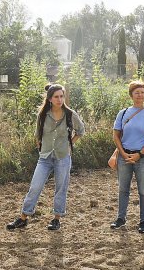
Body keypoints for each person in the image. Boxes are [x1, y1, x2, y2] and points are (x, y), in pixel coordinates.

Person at [6, 83, 86, 232]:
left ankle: (56, 219)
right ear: (50, 98)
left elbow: (81, 130)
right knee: (35, 186)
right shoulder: (43, 114)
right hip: (45, 157)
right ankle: (23, 217)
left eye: (62, 96)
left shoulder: (70, 114)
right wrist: (41, 148)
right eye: (56, 97)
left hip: (63, 157)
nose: (60, 99)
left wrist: (70, 144)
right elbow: (38, 134)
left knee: (61, 188)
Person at [108, 80, 144, 233]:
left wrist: (140, 154)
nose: (140, 95)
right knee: (123, 189)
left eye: (142, 92)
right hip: (124, 156)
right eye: (137, 92)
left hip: (143, 157)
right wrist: (123, 153)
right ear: (131, 95)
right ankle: (120, 218)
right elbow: (116, 135)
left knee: (143, 190)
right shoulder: (123, 113)